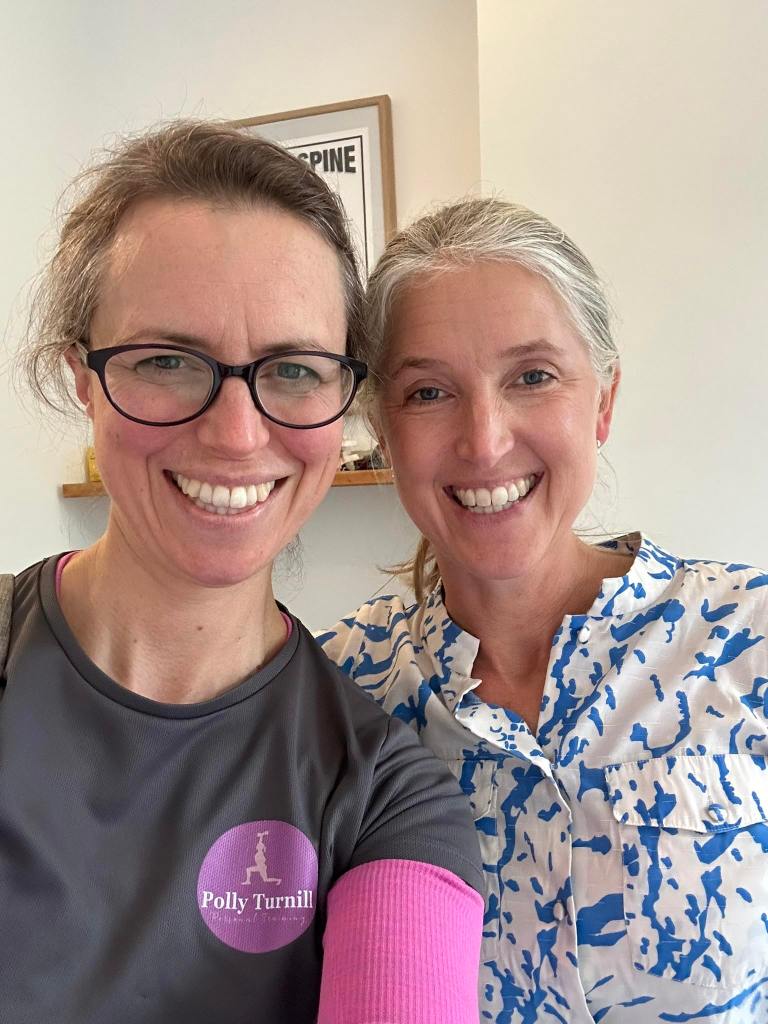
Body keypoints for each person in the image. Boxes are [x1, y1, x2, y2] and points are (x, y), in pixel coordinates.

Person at [0, 122, 485, 1024]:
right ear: (82, 377)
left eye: (294, 369)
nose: (235, 433)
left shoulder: (385, 796)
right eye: (166, 361)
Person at [318, 197, 768, 1023]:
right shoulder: (334, 692)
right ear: (382, 428)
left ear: (604, 401)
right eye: (428, 392)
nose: (485, 440)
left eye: (532, 377)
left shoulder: (748, 640)